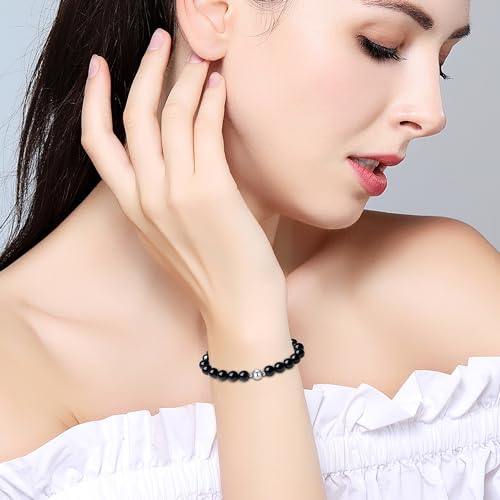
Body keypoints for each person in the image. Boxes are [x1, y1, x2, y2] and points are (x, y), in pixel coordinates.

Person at [0, 0, 499, 498]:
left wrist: (246, 315)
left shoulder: (450, 285)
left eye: (442, 63)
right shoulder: (18, 373)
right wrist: (249, 322)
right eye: (381, 46)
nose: (431, 114)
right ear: (213, 10)